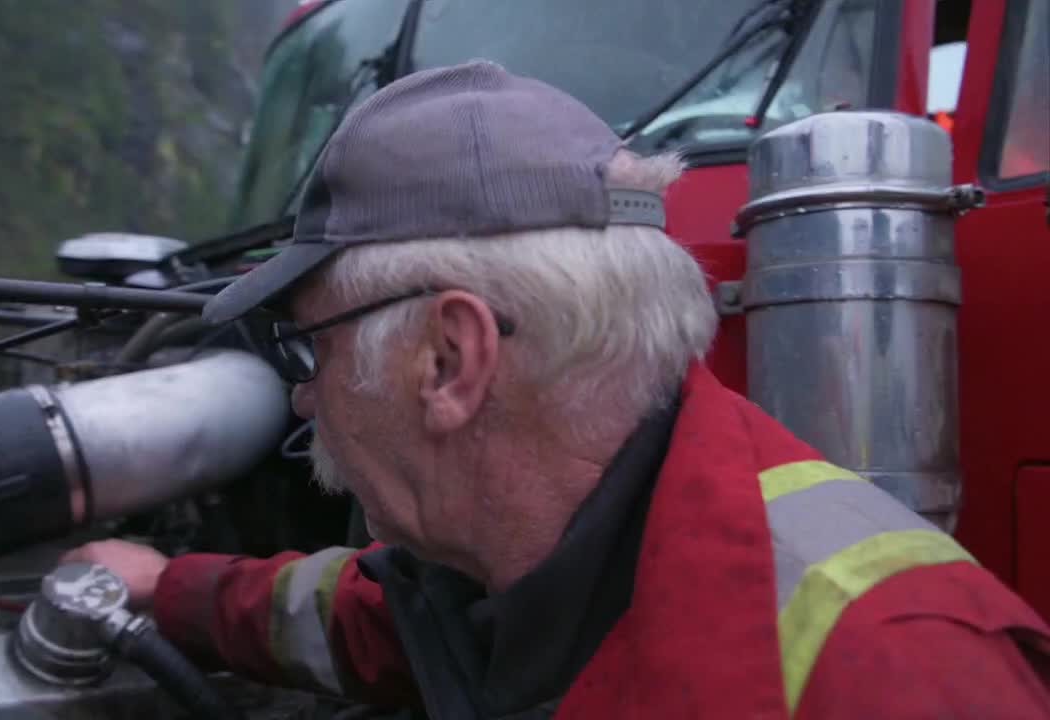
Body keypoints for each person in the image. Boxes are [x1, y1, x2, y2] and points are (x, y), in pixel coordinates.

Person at [64, 61, 1050, 718]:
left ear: (448, 359)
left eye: (309, 350)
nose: (303, 400)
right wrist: (165, 588)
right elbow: (368, 616)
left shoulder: (896, 676)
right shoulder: (498, 567)